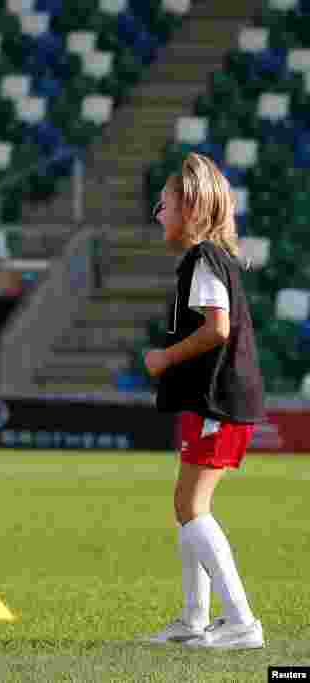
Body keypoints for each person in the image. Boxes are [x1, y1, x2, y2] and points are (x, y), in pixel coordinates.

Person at [142, 152, 265, 650]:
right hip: (212, 401)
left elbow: (218, 329)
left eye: (165, 203)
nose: (158, 213)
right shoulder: (209, 259)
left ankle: (241, 622)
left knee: (192, 506)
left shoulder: (203, 259)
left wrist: (165, 358)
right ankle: (194, 619)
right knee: (187, 505)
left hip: (219, 401)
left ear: (191, 205)